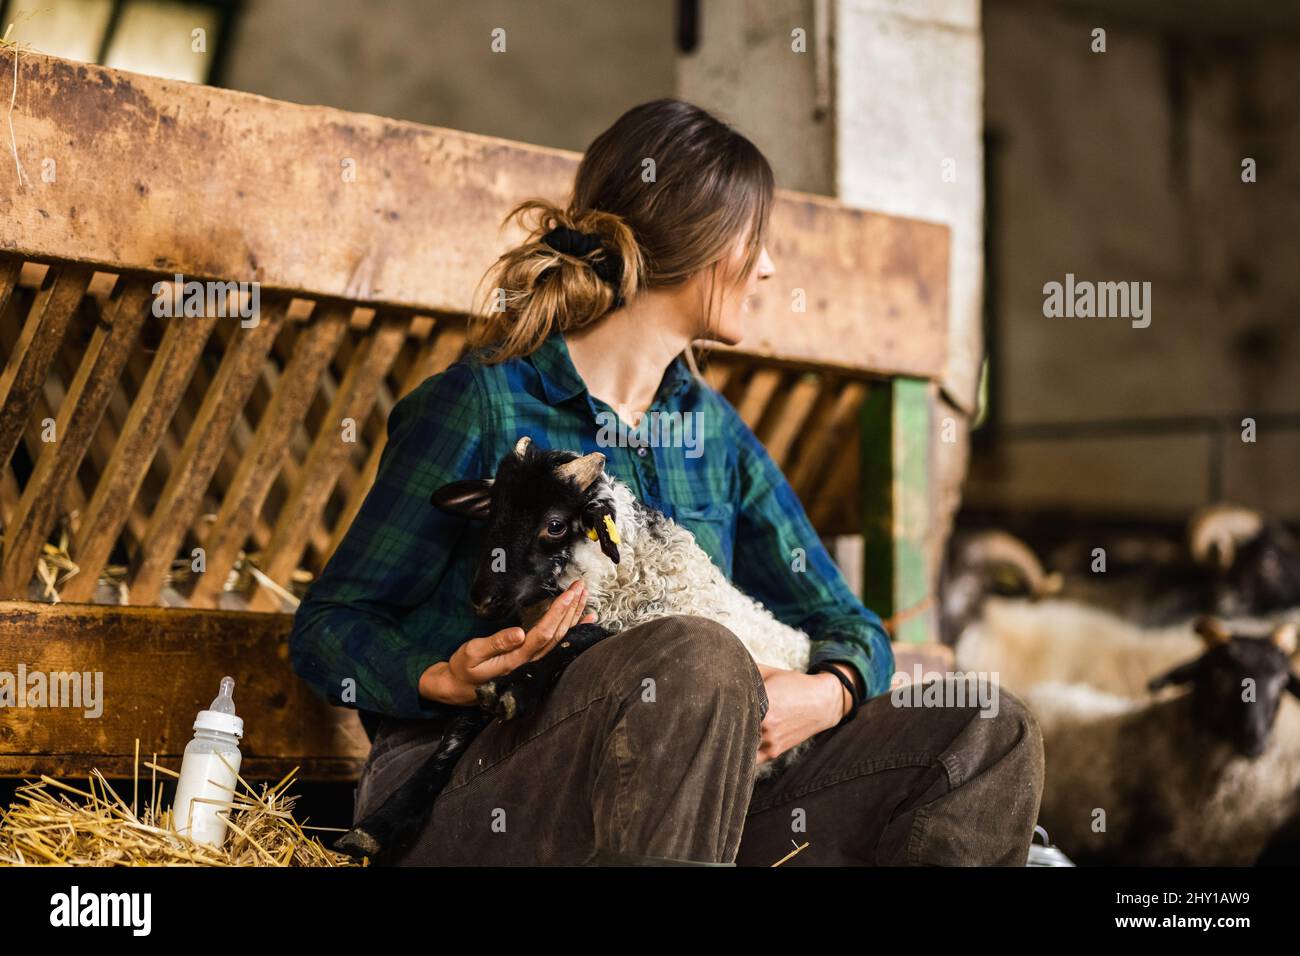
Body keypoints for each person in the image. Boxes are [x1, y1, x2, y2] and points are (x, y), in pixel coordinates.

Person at [289, 98, 1043, 866]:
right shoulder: (485, 404)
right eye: (756, 241)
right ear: (695, 241)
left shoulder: (712, 432)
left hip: (699, 808)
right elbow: (330, 625)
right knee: (696, 659)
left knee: (985, 726)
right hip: (488, 793)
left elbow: (848, 621)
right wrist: (437, 676)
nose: (771, 266)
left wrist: (826, 694)